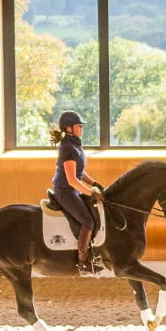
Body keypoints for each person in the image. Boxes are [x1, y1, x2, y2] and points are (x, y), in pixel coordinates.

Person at [50, 111, 104, 274]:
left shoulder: (75, 145)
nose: (81, 128)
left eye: (80, 126)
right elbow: (72, 180)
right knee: (87, 222)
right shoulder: (68, 148)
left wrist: (94, 183)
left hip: (73, 189)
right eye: (78, 126)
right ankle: (82, 262)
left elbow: (80, 171)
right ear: (69, 128)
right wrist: (91, 193)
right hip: (65, 191)